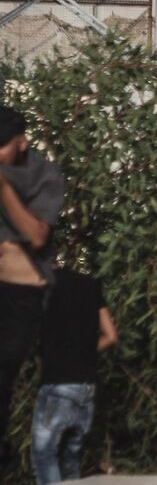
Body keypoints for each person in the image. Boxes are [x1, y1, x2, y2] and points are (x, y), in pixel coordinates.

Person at [0, 105, 66, 462]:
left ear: (22, 142)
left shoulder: (44, 175)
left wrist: (3, 188)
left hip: (21, 292)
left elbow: (37, 236)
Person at [31, 267, 118, 484]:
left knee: (43, 454)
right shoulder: (89, 284)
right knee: (71, 458)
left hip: (57, 383)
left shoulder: (39, 287)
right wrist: (82, 355)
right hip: (86, 386)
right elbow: (111, 335)